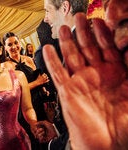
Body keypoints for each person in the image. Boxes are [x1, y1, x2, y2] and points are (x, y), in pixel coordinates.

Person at [41, 0, 128, 148]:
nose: (111, 16)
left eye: (47, 10)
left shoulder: (94, 50)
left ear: (64, 7)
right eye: (106, 4)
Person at [36, 0, 89, 149]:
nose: (45, 19)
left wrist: (52, 146)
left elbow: (87, 126)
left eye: (48, 10)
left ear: (65, 7)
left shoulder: (82, 48)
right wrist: (58, 129)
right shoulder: (76, 41)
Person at [3, 32, 50, 150]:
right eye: (9, 44)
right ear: (5, 48)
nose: (14, 47)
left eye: (15, 43)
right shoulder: (5, 66)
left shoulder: (29, 59)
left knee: (45, 135)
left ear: (20, 43)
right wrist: (38, 82)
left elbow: (38, 77)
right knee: (33, 139)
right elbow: (14, 90)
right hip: (24, 107)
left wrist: (44, 88)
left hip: (39, 103)